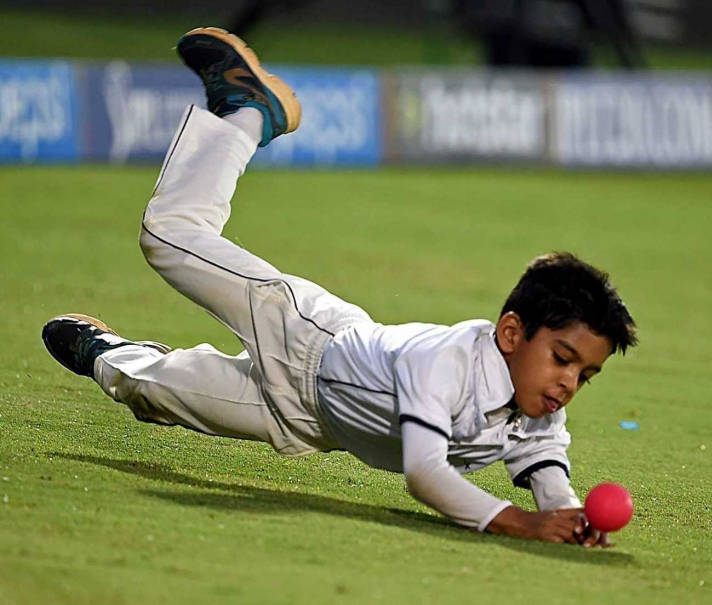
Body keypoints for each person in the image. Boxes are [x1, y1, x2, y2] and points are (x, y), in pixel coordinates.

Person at [41, 27, 637, 546]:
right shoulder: (447, 362)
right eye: (562, 359)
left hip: (308, 421)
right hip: (306, 336)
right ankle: (251, 113)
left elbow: (542, 461)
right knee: (168, 236)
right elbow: (425, 475)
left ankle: (108, 352)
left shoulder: (537, 402)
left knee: (149, 395)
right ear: (511, 332)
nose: (568, 382)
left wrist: (566, 516)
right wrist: (516, 522)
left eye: (584, 374)